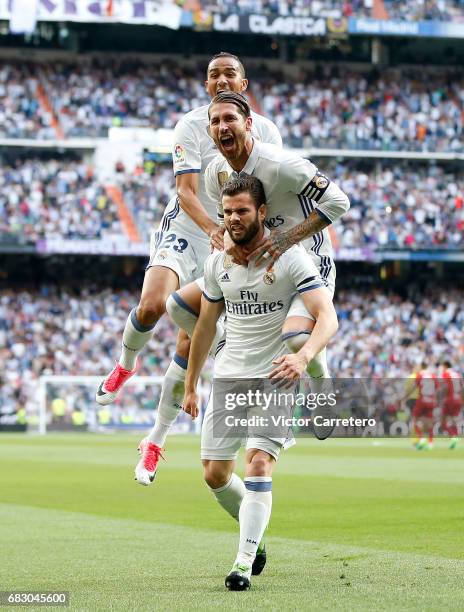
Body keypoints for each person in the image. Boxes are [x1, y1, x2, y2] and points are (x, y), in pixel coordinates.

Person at [93, 53, 282, 484]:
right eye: (213, 74)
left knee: (190, 338)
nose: (220, 79)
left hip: (230, 234)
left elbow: (270, 191)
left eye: (229, 73)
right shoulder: (190, 126)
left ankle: (156, 439)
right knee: (152, 305)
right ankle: (126, 362)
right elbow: (186, 191)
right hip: (191, 225)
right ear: (205, 85)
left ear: (244, 82)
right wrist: (216, 231)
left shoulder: (267, 130)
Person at [182, 175, 338, 590]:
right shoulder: (217, 263)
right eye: (227, 211)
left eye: (242, 211)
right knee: (215, 474)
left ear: (262, 212)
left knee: (258, 462)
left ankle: (242, 562)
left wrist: (303, 358)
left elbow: (329, 317)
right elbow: (205, 325)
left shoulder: (288, 258)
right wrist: (190, 382)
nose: (233, 218)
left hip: (276, 374)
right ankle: (256, 533)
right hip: (230, 375)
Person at [412, 362, 439, 450]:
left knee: (415, 419)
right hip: (431, 400)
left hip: (422, 400)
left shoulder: (419, 375)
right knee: (430, 422)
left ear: (421, 367)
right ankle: (430, 443)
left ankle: (421, 438)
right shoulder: (433, 376)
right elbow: (437, 388)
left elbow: (415, 387)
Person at [440, 360, 462, 449]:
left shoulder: (445, 374)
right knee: (454, 419)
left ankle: (453, 436)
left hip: (449, 399)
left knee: (442, 419)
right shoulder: (457, 375)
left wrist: (441, 398)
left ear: (445, 366)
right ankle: (455, 436)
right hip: (458, 399)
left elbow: (445, 387)